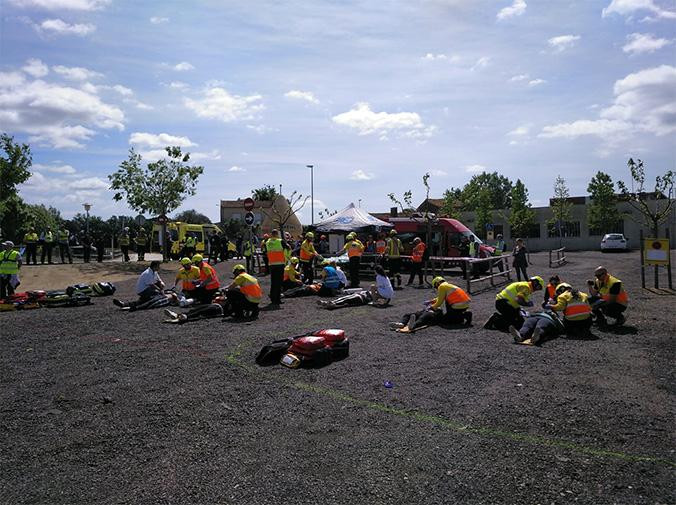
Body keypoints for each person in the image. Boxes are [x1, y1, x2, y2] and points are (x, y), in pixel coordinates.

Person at [319, 265, 392, 309]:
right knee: (346, 298)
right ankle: (330, 302)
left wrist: (376, 295)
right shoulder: (383, 280)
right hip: (362, 294)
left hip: (363, 297)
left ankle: (333, 304)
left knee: (348, 300)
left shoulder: (380, 279)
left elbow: (378, 290)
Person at [266, 229, 287, 305]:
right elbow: (288, 247)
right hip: (280, 265)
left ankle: (272, 298)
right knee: (279, 282)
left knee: (273, 282)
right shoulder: (280, 241)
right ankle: (277, 299)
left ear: (272, 234)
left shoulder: (267, 242)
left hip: (272, 265)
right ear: (277, 234)